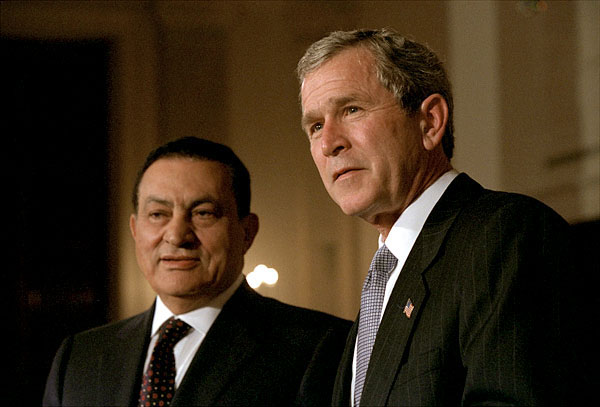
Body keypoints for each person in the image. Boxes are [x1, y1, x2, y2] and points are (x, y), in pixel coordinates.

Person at [297, 28, 583, 406]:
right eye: (315, 125)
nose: (329, 142)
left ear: (430, 122)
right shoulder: (384, 278)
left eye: (351, 109)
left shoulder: (505, 236)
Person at [43, 136, 351, 406]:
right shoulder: (80, 357)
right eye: (158, 214)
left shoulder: (320, 348)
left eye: (203, 213)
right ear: (135, 230)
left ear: (247, 232)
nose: (177, 235)